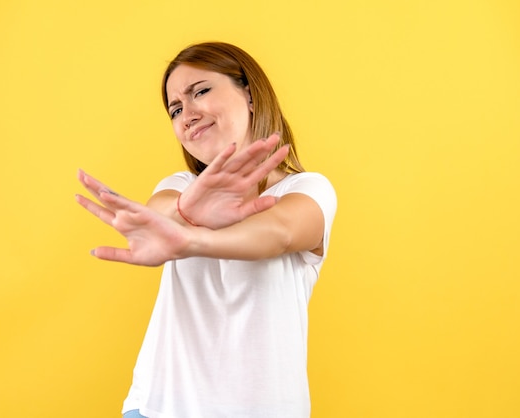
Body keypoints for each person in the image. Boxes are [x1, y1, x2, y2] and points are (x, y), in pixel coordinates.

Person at [75, 42, 337, 418]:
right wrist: (185, 212)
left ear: (249, 94)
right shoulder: (180, 185)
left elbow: (278, 232)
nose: (187, 114)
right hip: (156, 408)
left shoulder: (307, 189)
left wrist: (191, 238)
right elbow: (160, 213)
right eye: (176, 109)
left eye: (200, 91)